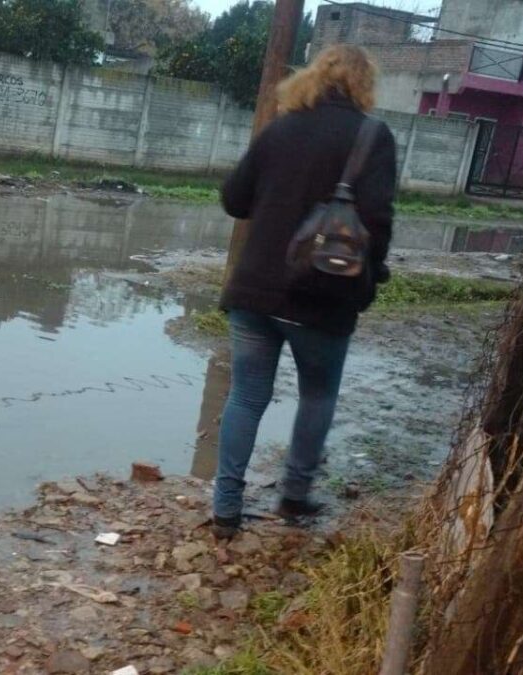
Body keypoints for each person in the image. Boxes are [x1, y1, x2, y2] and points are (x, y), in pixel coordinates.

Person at [210, 44, 397, 537]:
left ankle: (226, 509)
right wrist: (369, 281)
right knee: (317, 396)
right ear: (364, 85)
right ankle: (293, 498)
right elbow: (377, 221)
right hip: (324, 297)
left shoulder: (281, 127)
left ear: (313, 76)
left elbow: (234, 199)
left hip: (253, 293)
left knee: (247, 397)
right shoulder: (372, 137)